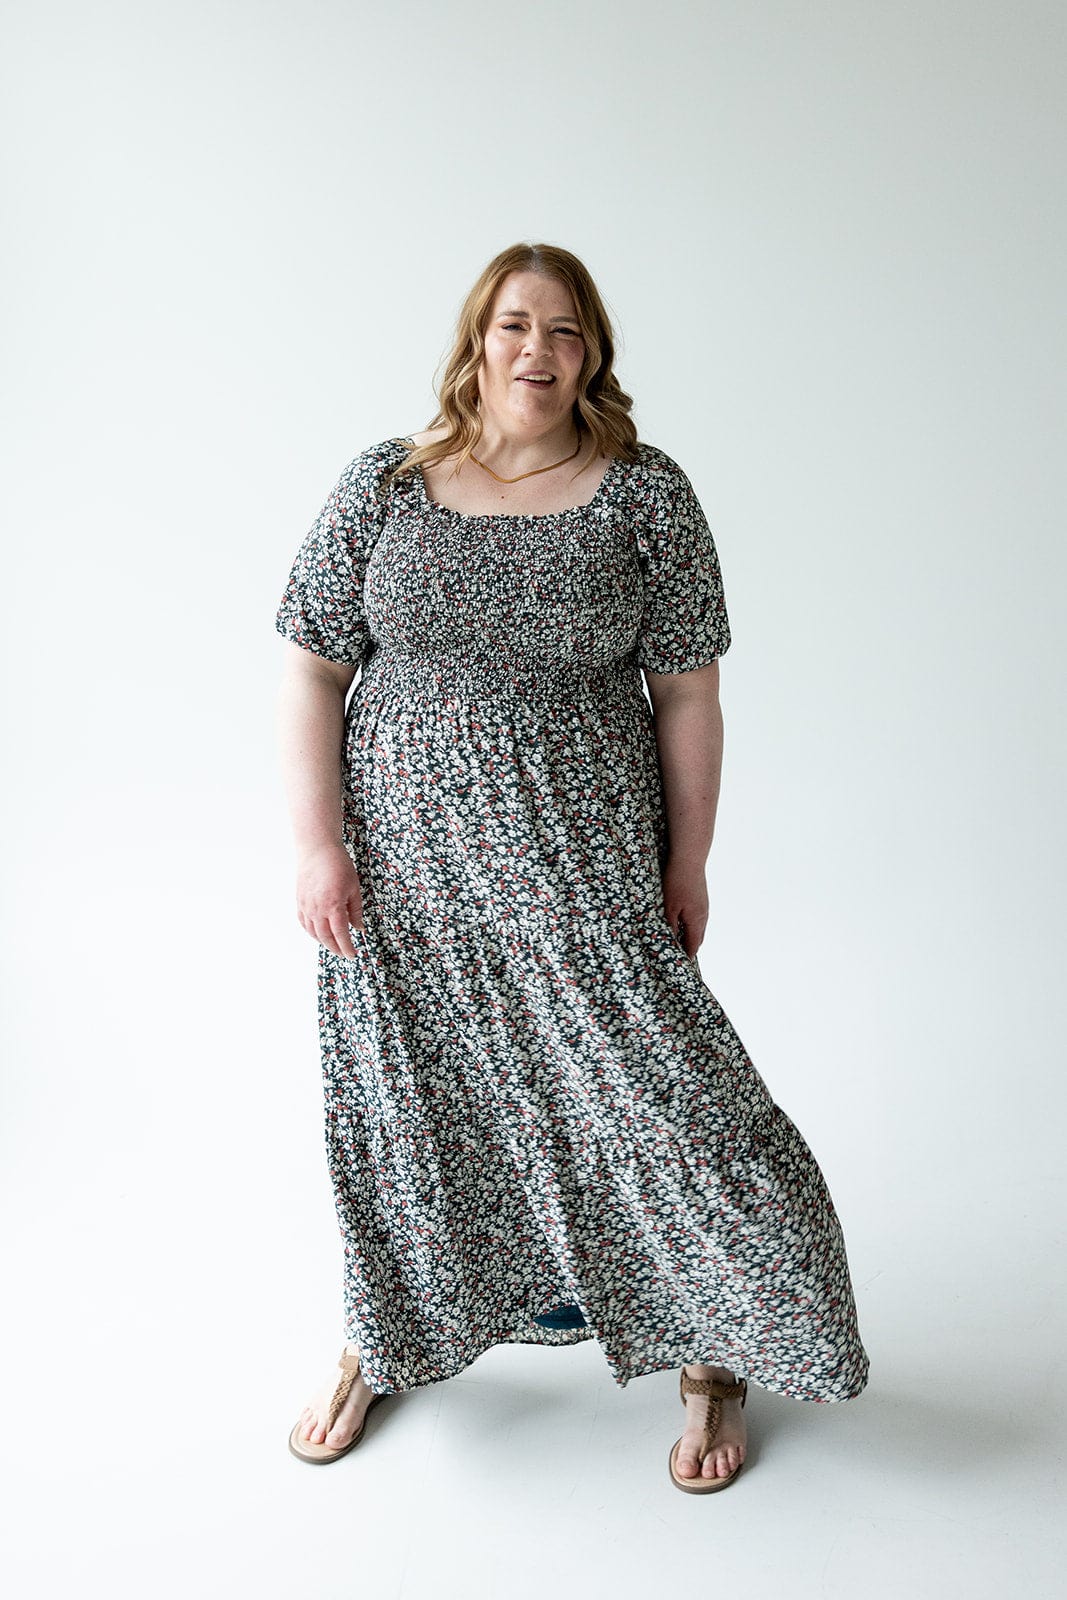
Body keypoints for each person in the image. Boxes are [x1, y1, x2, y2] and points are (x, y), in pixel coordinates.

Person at [275, 241, 869, 1493]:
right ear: (474, 342)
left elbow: (689, 694)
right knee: (408, 1109)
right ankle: (382, 1335)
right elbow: (313, 665)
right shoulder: (384, 483)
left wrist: (687, 858)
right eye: (510, 325)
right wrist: (319, 841)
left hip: (576, 864)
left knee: (669, 1105)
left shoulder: (644, 494)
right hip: (403, 881)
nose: (534, 350)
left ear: (590, 349)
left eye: (561, 329)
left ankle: (716, 1347)